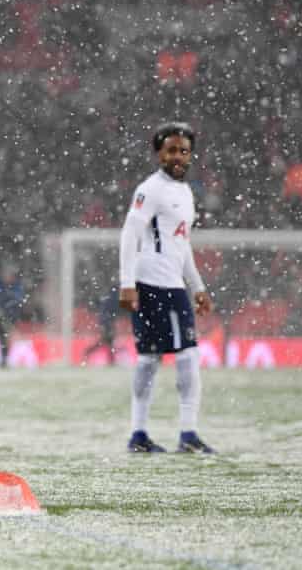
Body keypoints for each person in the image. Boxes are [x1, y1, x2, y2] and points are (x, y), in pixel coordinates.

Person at [118, 122, 215, 454]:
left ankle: (141, 435)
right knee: (182, 356)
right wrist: (127, 283)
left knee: (153, 358)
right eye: (171, 149)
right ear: (159, 153)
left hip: (174, 285)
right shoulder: (151, 189)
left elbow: (182, 244)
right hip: (153, 284)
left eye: (183, 150)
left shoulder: (186, 193)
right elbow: (130, 233)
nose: (178, 156)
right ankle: (182, 434)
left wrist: (198, 286)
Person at [0, 263, 26, 367]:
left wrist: (6, 310)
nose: (7, 277)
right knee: (0, 337)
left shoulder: (16, 286)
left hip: (11, 317)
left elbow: (17, 300)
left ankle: (5, 359)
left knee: (5, 338)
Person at [80, 287, 121, 366]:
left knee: (107, 343)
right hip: (107, 324)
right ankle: (88, 353)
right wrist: (107, 325)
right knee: (107, 343)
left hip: (106, 323)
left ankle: (111, 361)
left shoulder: (108, 299)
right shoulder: (113, 299)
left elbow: (104, 312)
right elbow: (108, 313)